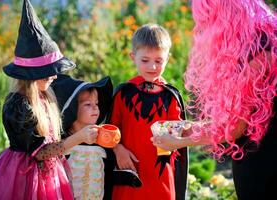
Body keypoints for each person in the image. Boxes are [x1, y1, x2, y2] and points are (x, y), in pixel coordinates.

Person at [151, 0, 277, 199]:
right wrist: (188, 128)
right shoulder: (268, 40)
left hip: (265, 171)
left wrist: (179, 141)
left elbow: (234, 128)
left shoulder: (256, 56)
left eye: (206, 20)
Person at [0, 0, 96, 199]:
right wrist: (78, 138)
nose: (55, 76)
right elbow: (40, 152)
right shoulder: (19, 105)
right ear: (32, 75)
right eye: (49, 72)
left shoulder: (45, 97)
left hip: (49, 174)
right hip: (24, 177)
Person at [109, 23, 188, 200]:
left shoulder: (170, 96)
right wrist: (118, 149)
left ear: (167, 59)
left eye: (158, 61)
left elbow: (176, 135)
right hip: (129, 171)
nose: (152, 67)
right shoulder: (123, 93)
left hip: (160, 175)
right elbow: (111, 128)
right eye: (145, 60)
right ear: (133, 57)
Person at [51, 74, 113, 200]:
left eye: (96, 103)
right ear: (72, 111)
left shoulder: (103, 143)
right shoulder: (62, 144)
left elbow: (109, 178)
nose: (95, 107)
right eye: (87, 104)